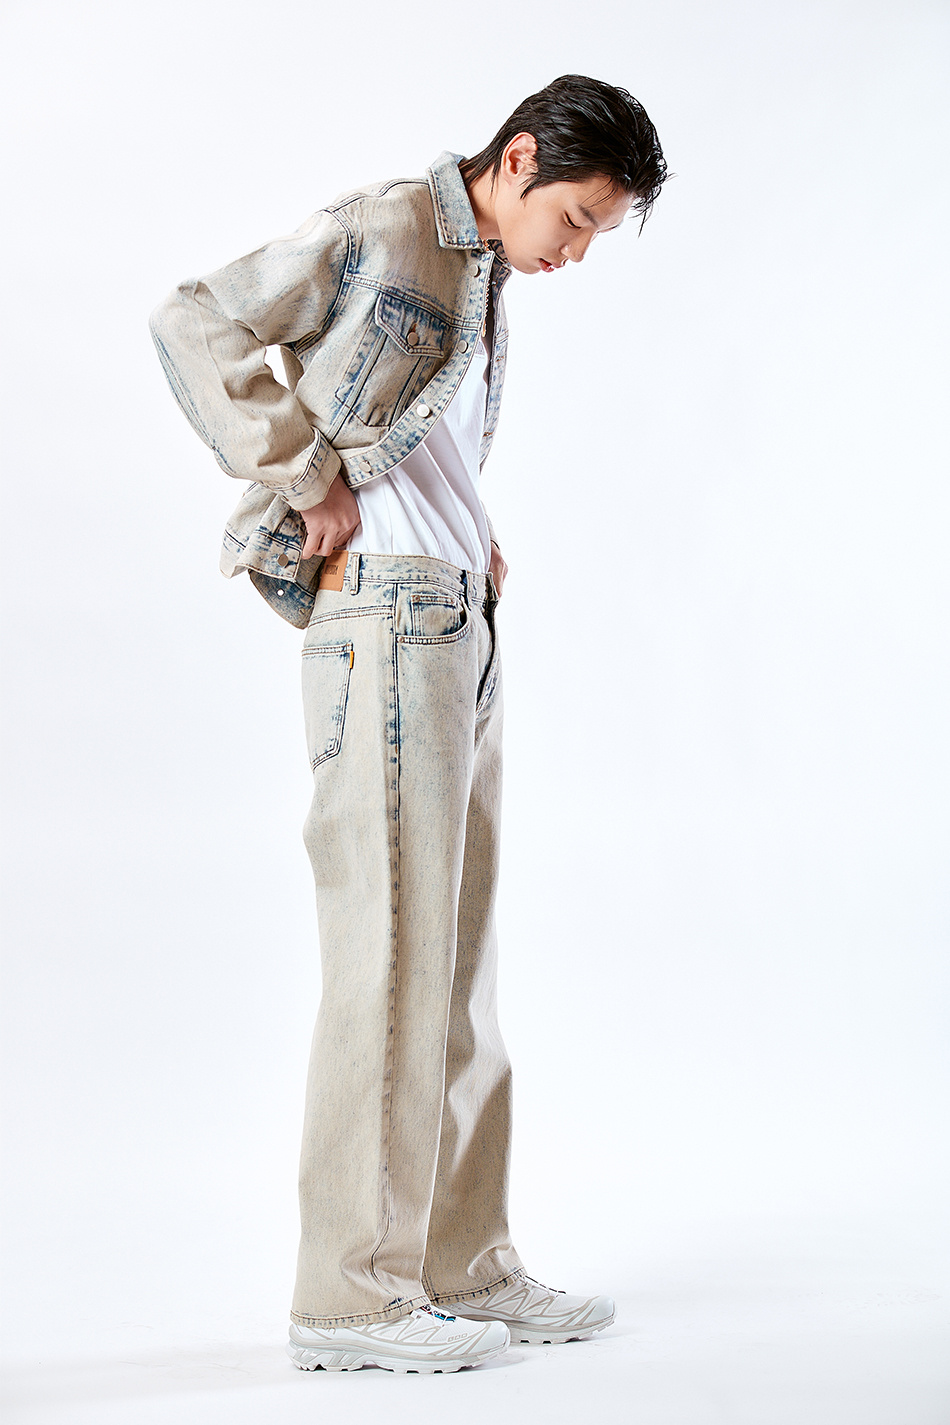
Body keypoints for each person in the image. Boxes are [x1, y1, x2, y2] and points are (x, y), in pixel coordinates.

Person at [150, 73, 668, 1375]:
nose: (578, 249)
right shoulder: (389, 228)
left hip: (449, 619)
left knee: (455, 964)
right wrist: (303, 472)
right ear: (518, 157)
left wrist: (472, 539)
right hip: (381, 618)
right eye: (578, 216)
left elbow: (419, 432)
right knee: (388, 956)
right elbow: (194, 316)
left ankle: (457, 1258)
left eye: (600, 231)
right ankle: (347, 1293)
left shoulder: (481, 273)